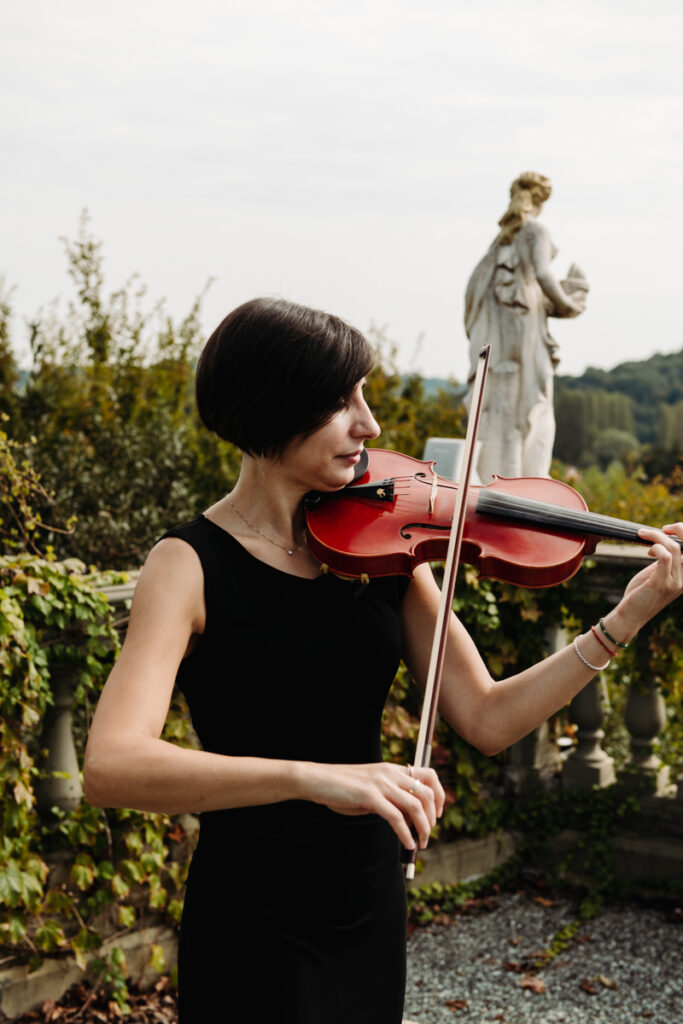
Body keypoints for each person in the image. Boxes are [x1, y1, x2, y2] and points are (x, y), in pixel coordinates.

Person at [84, 297, 683, 1024]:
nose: (368, 425)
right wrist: (313, 779)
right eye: (341, 404)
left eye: (363, 397)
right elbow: (112, 764)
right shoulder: (187, 564)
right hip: (254, 906)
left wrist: (627, 616)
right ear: (270, 408)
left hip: (367, 888)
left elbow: (487, 717)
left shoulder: (381, 548)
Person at [464, 171, 589, 481]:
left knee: (508, 396)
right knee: (534, 397)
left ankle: (503, 474)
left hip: (500, 326)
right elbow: (544, 276)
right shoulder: (535, 231)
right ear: (539, 201)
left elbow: (481, 290)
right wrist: (568, 304)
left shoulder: (500, 240)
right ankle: (526, 480)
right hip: (525, 328)